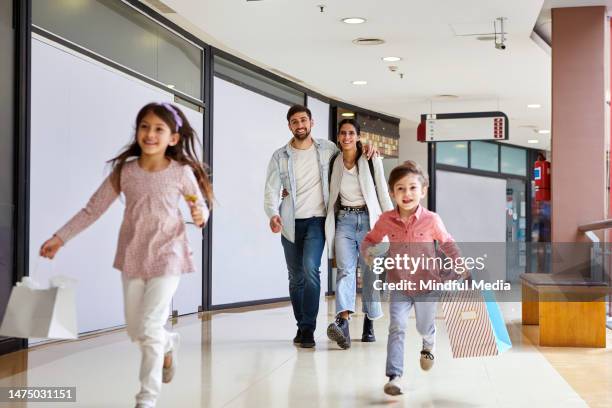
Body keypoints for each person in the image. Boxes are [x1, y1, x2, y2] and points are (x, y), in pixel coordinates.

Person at [39, 102, 212, 408]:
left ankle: (146, 399)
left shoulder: (181, 173)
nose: (150, 134)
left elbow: (198, 206)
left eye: (159, 129)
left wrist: (200, 214)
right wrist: (59, 237)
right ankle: (168, 343)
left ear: (173, 138)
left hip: (168, 255)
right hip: (133, 255)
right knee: (136, 330)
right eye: (144, 126)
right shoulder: (126, 172)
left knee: (148, 326)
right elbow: (92, 209)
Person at [264, 105, 376, 348]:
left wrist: (367, 146)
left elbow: (351, 148)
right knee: (295, 278)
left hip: (318, 221)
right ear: (289, 126)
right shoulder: (279, 156)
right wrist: (273, 214)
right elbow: (271, 190)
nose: (300, 124)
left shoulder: (327, 149)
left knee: (310, 270)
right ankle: (302, 326)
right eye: (294, 121)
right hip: (290, 223)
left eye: (303, 120)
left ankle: (309, 329)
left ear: (311, 122)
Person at [360, 161, 460, 396]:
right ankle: (394, 376)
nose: (407, 194)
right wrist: (367, 253)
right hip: (399, 285)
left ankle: (429, 342)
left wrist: (460, 263)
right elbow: (370, 239)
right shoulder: (386, 219)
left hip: (427, 284)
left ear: (423, 191)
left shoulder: (431, 219)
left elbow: (447, 242)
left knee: (423, 326)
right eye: (400, 188)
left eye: (413, 188)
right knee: (397, 327)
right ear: (392, 192)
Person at [324, 119, 393, 349]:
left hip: (368, 221)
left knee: (370, 274)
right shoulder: (334, 161)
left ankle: (369, 322)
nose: (346, 138)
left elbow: (382, 191)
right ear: (338, 136)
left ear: (358, 136)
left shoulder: (371, 159)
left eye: (351, 133)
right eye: (342, 133)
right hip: (344, 220)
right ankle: (342, 322)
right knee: (345, 270)